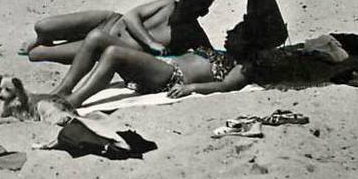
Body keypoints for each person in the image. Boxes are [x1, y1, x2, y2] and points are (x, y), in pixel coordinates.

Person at [60, 17, 256, 108]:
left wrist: (191, 88)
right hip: (159, 64)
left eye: (236, 33)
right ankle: (62, 90)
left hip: (170, 77)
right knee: (96, 36)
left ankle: (73, 101)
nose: (229, 33)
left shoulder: (242, 66)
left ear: (246, 42)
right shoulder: (219, 51)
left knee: (113, 53)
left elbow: (226, 86)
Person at [20, 0, 215, 66]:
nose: (185, 4)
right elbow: (131, 16)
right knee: (42, 26)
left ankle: (48, 43)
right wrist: (150, 42)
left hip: (104, 44)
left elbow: (213, 56)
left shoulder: (192, 34)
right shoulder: (168, 4)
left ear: (201, 12)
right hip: (108, 20)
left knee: (35, 55)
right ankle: (42, 37)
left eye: (192, 4)